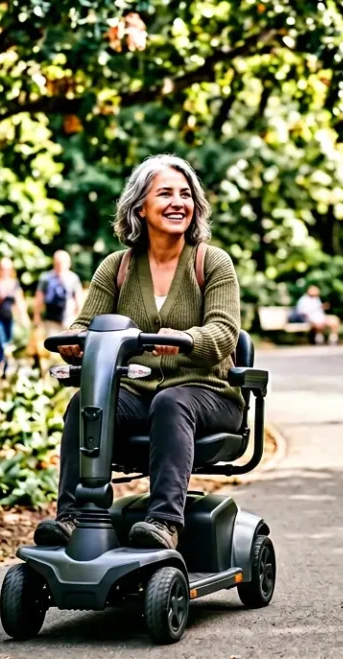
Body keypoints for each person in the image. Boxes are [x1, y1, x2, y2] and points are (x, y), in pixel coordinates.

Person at [35, 154, 243, 552]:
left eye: (186, 194)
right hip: (138, 391)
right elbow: (85, 325)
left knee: (171, 401)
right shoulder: (117, 268)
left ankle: (165, 521)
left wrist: (185, 339)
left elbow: (223, 333)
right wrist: (74, 344)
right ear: (140, 207)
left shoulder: (212, 263)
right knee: (85, 404)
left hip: (208, 392)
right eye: (165, 193)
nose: (178, 202)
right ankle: (73, 516)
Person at [33, 250, 84, 369]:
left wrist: (79, 319)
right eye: (58, 262)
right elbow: (39, 298)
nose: (60, 265)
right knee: (51, 350)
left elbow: (78, 299)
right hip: (50, 320)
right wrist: (37, 316)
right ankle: (52, 374)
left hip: (68, 319)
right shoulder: (46, 278)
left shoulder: (73, 278)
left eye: (63, 262)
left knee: (69, 349)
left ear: (68, 263)